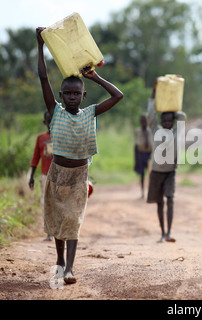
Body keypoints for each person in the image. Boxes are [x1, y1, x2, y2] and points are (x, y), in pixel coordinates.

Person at [36, 27, 123, 284]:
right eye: (68, 93)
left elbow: (118, 95)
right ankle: (60, 261)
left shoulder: (91, 113)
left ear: (83, 96)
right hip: (56, 174)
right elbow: (43, 79)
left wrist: (95, 77)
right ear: (61, 96)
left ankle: (70, 268)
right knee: (58, 221)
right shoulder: (56, 111)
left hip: (79, 175)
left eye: (77, 93)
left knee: (73, 220)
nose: (72, 97)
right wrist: (40, 46)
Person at [146, 81, 186, 243]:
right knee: (159, 202)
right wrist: (154, 93)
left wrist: (173, 105)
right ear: (161, 121)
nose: (168, 123)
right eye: (165, 120)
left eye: (170, 121)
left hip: (170, 172)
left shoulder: (177, 132)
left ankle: (169, 232)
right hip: (156, 172)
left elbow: (182, 117)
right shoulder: (155, 130)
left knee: (170, 200)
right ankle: (162, 232)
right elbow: (150, 113)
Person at [29, 110, 53, 241]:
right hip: (45, 176)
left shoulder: (62, 136)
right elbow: (35, 158)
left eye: (53, 120)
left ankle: (59, 231)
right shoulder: (41, 138)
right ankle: (49, 232)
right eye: (49, 121)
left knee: (59, 203)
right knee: (46, 202)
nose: (51, 123)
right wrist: (31, 176)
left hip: (60, 177)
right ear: (45, 122)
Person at [134, 114, 152, 199]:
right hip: (140, 154)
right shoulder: (137, 131)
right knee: (142, 174)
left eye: (145, 120)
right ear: (140, 122)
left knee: (151, 174)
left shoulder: (151, 131)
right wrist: (136, 160)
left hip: (149, 154)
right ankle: (142, 192)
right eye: (142, 121)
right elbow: (136, 146)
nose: (144, 122)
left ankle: (151, 192)